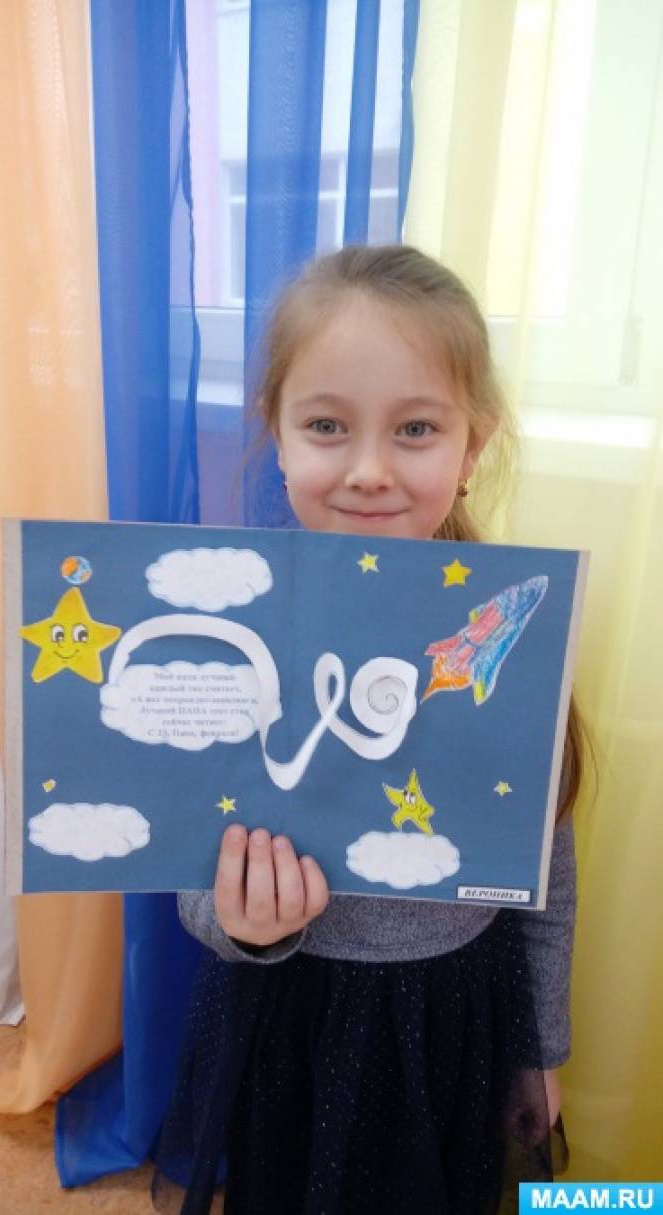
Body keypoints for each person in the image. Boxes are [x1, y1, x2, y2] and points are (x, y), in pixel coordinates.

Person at [153, 245, 583, 1215]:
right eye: (326, 425)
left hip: (453, 1020)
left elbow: (545, 877)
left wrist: (541, 1050)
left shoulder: (510, 641)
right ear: (276, 434)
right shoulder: (238, 635)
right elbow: (189, 869)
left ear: (471, 448)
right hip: (291, 1018)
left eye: (416, 428)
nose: (370, 471)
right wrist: (240, 922)